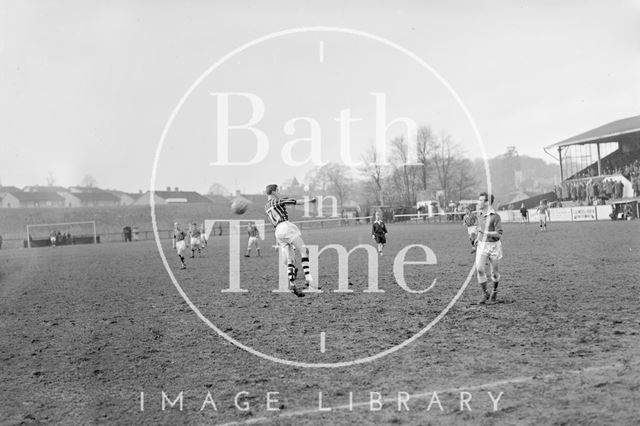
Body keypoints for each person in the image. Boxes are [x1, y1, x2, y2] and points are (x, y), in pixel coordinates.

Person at [264, 184, 317, 297]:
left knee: (290, 260)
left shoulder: (266, 206)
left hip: (278, 232)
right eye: (278, 190)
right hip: (285, 227)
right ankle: (309, 279)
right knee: (304, 251)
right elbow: (296, 202)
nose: (279, 192)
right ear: (273, 192)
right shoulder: (277, 201)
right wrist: (310, 201)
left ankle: (292, 284)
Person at [475, 192, 503, 304]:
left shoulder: (495, 216)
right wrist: (478, 237)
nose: (478, 202)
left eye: (481, 200)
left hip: (494, 246)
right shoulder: (479, 214)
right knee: (480, 269)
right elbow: (479, 228)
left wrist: (485, 232)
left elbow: (499, 234)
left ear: (487, 202)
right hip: (482, 245)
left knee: (495, 274)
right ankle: (485, 292)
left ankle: (495, 291)